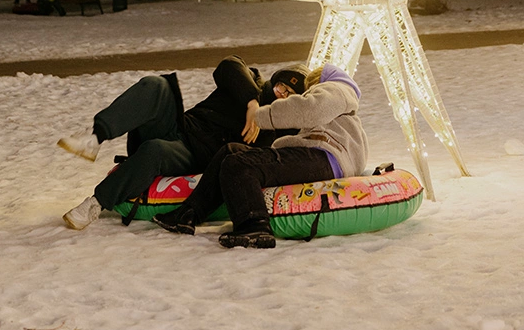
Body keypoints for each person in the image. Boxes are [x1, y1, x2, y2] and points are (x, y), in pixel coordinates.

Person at [58, 57, 309, 230]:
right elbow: (229, 64)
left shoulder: (280, 125)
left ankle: (95, 204)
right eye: (281, 87)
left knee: (154, 150)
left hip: (191, 154)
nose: (282, 95)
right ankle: (95, 138)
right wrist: (251, 102)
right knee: (157, 85)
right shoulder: (251, 81)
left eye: (290, 95)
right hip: (181, 127)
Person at [153, 64, 369, 249]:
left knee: (240, 165)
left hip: (323, 157)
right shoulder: (341, 102)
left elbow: (310, 109)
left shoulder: (336, 88)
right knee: (232, 151)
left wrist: (259, 116)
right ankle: (188, 214)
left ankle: (254, 226)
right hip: (320, 156)